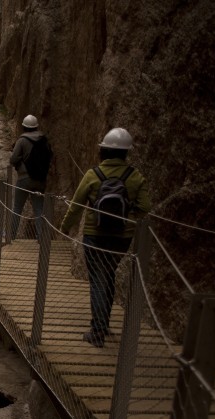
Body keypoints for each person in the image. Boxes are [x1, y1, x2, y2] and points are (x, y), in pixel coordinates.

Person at [59, 127, 150, 348]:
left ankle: (98, 331)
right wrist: (128, 209)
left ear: (104, 151)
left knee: (98, 280)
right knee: (108, 275)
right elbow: (145, 207)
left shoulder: (93, 175)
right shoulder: (135, 177)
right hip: (121, 237)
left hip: (95, 235)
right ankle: (103, 323)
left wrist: (64, 227)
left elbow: (77, 205)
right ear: (125, 153)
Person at [8, 114, 52, 240]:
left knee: (17, 207)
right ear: (36, 127)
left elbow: (13, 159)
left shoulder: (22, 140)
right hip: (40, 179)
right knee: (39, 208)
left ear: (24, 127)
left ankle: (11, 235)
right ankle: (41, 236)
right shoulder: (44, 140)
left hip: (25, 178)